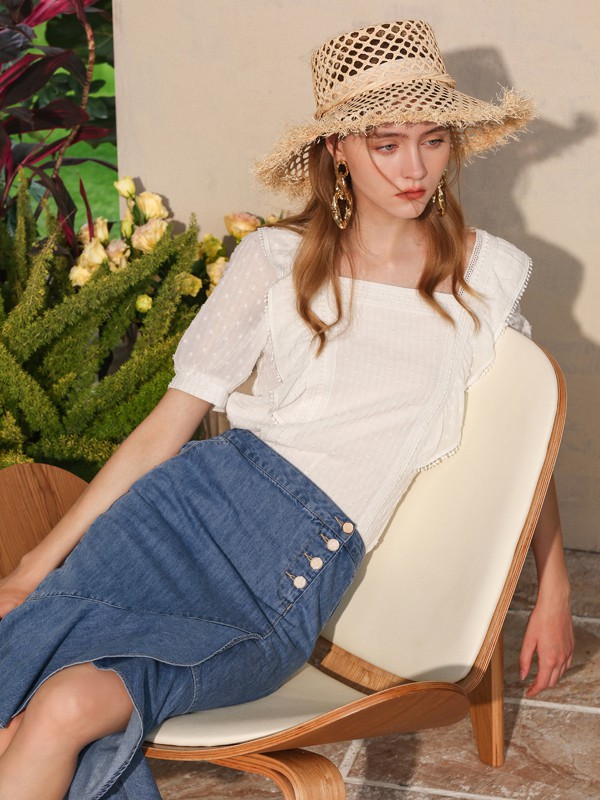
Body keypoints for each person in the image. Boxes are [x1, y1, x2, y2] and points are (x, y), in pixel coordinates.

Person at [0, 19, 573, 800]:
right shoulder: (273, 262)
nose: (414, 168)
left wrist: (552, 586)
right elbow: (165, 429)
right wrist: (32, 569)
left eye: (433, 141)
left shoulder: (484, 276)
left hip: (287, 566)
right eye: (386, 144)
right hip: (180, 512)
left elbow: (526, 448)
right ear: (338, 149)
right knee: (19, 696)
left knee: (67, 704)